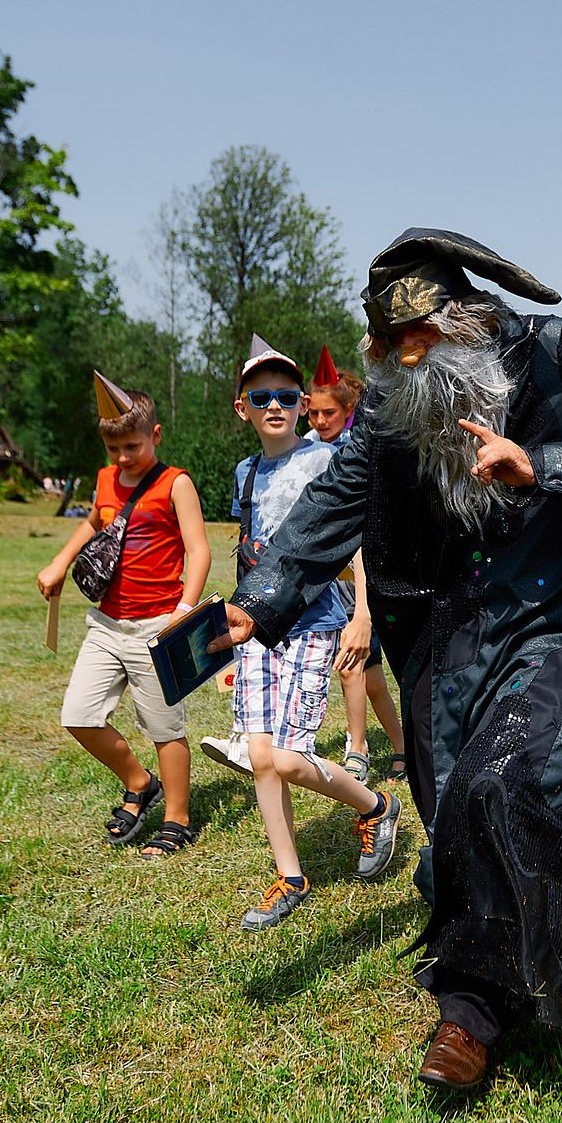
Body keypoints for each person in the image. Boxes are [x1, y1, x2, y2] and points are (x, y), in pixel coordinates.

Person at [217, 229, 562, 1092]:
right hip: (456, 621)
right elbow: (330, 504)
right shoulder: (390, 408)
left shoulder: (553, 351)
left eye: (421, 339)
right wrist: (260, 596)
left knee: (507, 780)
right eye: (391, 348)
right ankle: (534, 961)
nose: (407, 359)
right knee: (459, 802)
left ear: (464, 320)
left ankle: (469, 1013)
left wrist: (541, 463)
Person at [223, 337, 404, 929]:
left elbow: (357, 543)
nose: (273, 405)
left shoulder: (329, 459)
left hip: (318, 619)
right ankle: (290, 877)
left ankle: (377, 805)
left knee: (292, 759)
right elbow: (250, 555)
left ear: (303, 405)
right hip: (255, 629)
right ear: (242, 407)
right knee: (258, 756)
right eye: (260, 396)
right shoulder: (244, 474)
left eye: (285, 395)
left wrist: (362, 614)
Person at [36, 374, 211, 857]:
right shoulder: (106, 478)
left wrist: (184, 609)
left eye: (131, 446)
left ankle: (177, 818)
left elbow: (198, 551)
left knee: (164, 727)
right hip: (106, 623)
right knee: (78, 714)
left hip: (157, 626)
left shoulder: (176, 484)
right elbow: (96, 520)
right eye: (113, 448)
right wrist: (59, 560)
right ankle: (139, 782)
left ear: (155, 435)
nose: (122, 458)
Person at [307, 347, 409, 783]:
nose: (318, 421)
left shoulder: (359, 450)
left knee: (367, 673)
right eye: (311, 413)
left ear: (349, 411)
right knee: (366, 676)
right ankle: (385, 747)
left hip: (367, 578)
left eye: (327, 413)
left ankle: (367, 748)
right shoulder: (309, 451)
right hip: (332, 583)